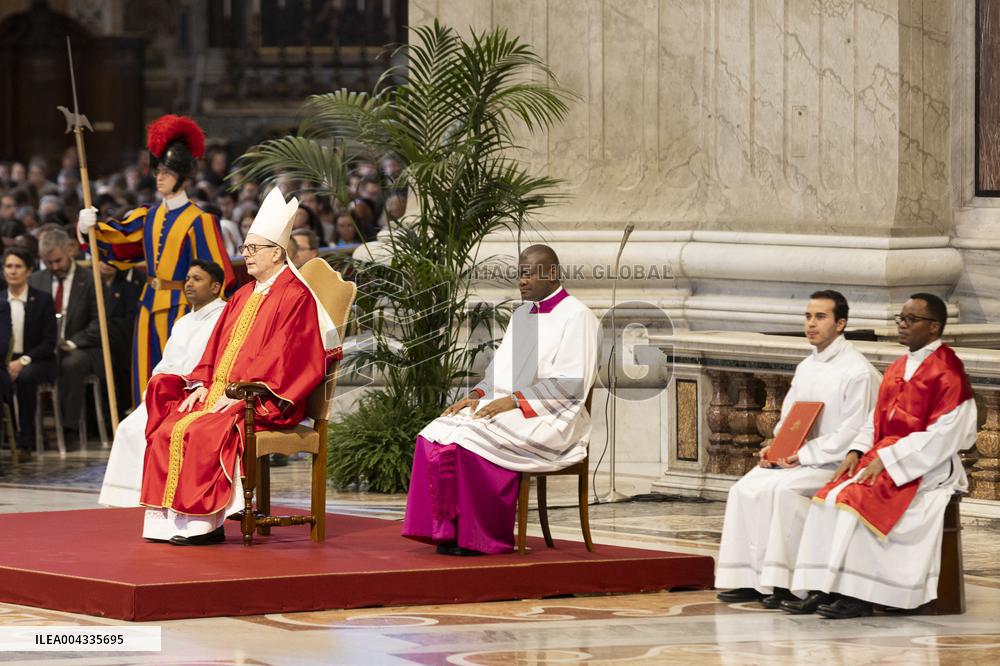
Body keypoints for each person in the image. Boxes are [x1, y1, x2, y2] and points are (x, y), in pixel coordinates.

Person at [139, 188, 340, 545]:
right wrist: (201, 383)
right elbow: (214, 345)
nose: (244, 254)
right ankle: (170, 523)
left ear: (276, 253)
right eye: (245, 247)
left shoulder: (295, 296)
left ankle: (204, 525)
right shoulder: (245, 293)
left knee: (203, 432)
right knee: (170, 423)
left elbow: (290, 358)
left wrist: (239, 395)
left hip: (263, 399)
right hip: (221, 394)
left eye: (252, 248)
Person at [788, 293, 977, 618]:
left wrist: (889, 460)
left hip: (923, 465)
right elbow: (875, 417)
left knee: (854, 504)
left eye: (910, 319)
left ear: (934, 327)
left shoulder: (948, 372)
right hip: (882, 454)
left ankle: (858, 595)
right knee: (827, 498)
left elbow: (944, 436)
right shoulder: (899, 366)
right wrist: (855, 451)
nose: (902, 325)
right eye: (900, 319)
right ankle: (822, 587)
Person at [403, 244, 600, 555]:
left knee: (469, 440)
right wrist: (476, 396)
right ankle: (448, 531)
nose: (521, 281)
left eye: (528, 274)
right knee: (435, 433)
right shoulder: (523, 315)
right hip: (511, 407)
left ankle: (481, 537)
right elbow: (502, 372)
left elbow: (571, 385)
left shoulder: (578, 316)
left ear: (551, 274)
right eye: (519, 274)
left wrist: (514, 402)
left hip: (549, 417)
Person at [714, 291, 881, 608]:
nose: (811, 324)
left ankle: (787, 584)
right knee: (744, 488)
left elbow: (855, 430)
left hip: (834, 463)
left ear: (841, 323)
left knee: (784, 492)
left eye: (820, 317)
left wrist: (804, 455)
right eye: (808, 317)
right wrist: (775, 448)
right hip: (798, 459)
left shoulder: (858, 371)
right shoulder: (807, 366)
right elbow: (790, 418)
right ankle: (751, 580)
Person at [77, 115, 235, 407]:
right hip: (148, 304)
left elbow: (218, 277)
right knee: (146, 378)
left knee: (175, 380)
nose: (159, 176)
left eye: (167, 171)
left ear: (182, 175)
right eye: (158, 170)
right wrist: (90, 228)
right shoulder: (148, 215)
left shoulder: (201, 222)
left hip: (184, 310)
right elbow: (119, 246)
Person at [98, 260, 227, 507]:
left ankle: (154, 495)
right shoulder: (183, 321)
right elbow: (167, 362)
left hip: (194, 392)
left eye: (197, 279)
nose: (189, 283)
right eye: (188, 278)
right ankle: (129, 498)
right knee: (127, 428)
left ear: (215, 287)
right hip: (167, 390)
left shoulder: (223, 317)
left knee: (151, 432)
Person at [29, 228, 102, 438]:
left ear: (70, 249)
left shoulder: (89, 279)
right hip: (44, 346)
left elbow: (98, 323)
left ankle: (68, 427)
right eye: (48, 263)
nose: (54, 267)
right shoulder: (36, 280)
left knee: (71, 363)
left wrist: (71, 343)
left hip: (81, 345)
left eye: (58, 261)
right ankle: (30, 430)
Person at [1, 247, 57, 460]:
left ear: (29, 271)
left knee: (25, 377)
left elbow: (49, 342)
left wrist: (22, 361)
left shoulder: (42, 300)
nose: (12, 271)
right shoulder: (0, 300)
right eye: (8, 266)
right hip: (5, 361)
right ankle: (7, 437)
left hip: (38, 359)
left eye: (18, 266)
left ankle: (26, 440)